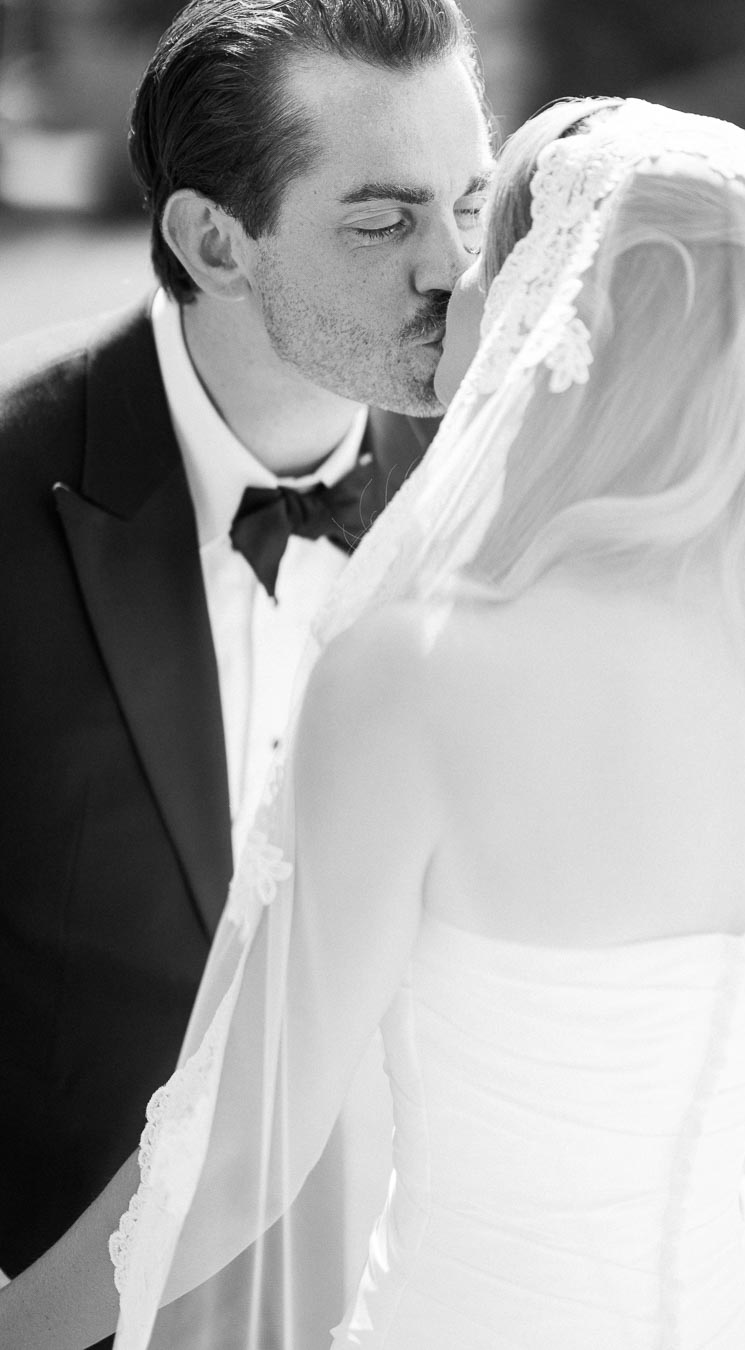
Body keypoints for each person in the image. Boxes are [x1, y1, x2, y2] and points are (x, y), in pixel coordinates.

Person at [4, 96, 745, 1349]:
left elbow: (247, 1160)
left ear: (561, 315)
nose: (451, 288)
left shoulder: (418, 675)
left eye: (486, 254)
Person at [0, 0, 493, 1343]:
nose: (456, 267)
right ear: (215, 241)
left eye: (472, 200)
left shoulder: (512, 492)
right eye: (384, 222)